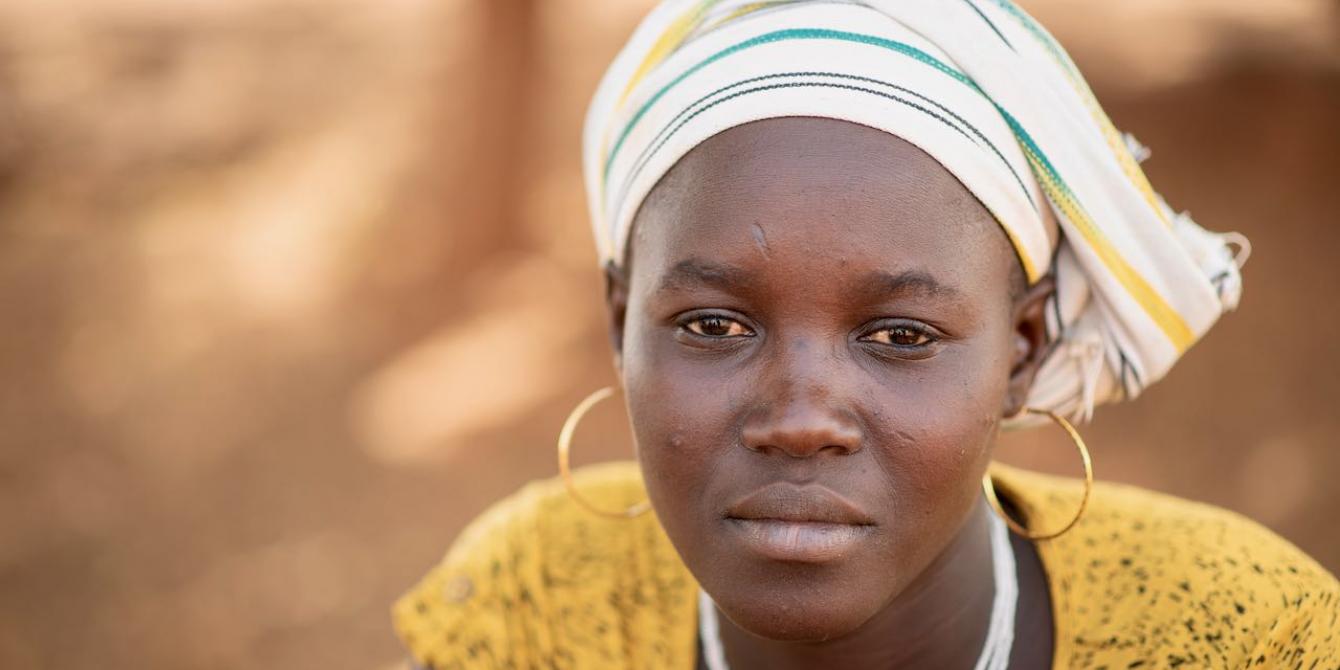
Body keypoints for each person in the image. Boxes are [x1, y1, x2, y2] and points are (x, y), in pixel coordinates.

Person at [392, 1, 1338, 668]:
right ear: (620, 320)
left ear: (1023, 348)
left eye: (899, 336)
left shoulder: (1250, 636)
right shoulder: (533, 609)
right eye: (715, 324)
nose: (801, 421)